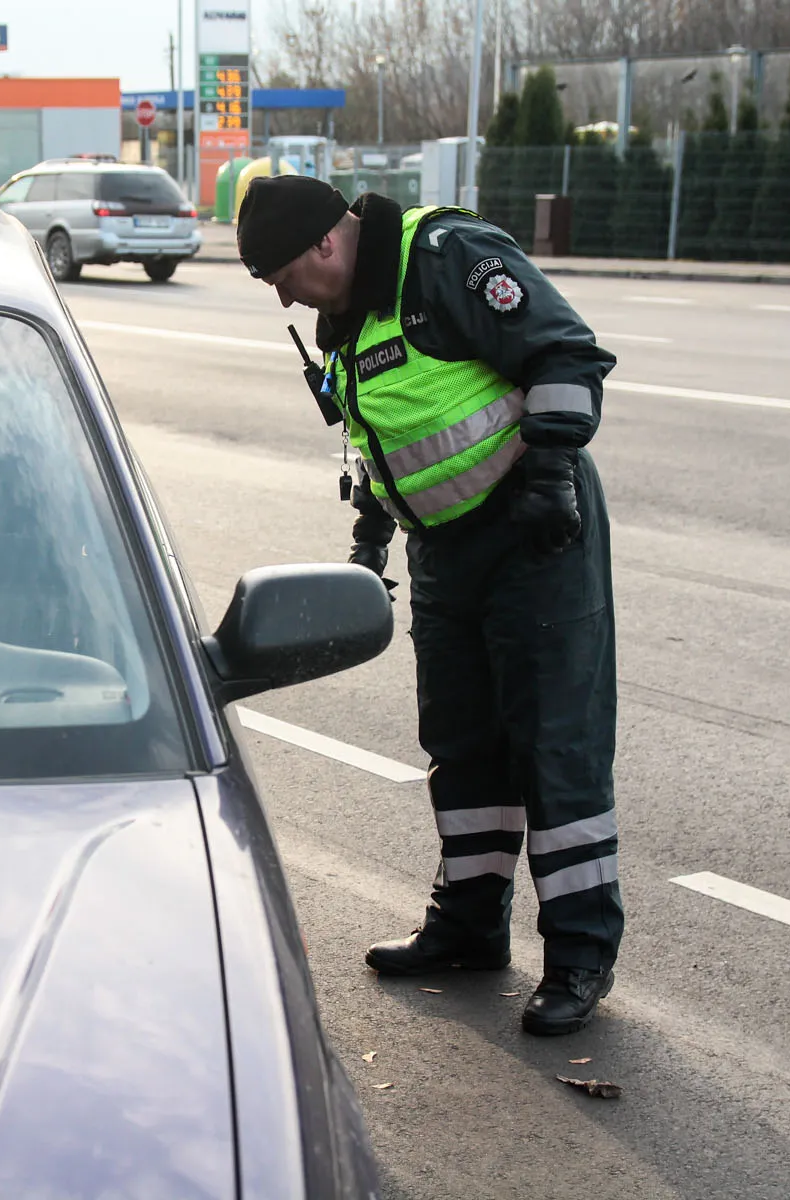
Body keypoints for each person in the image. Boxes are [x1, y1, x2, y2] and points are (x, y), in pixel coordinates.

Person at [238, 175, 622, 1036]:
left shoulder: (445, 260)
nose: (281, 294)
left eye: (280, 275)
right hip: (443, 545)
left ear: (325, 245)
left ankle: (581, 956)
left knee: (553, 743)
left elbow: (566, 352)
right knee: (461, 739)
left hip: (534, 533)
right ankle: (470, 924)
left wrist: (554, 471)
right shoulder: (346, 316)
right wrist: (371, 542)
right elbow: (382, 434)